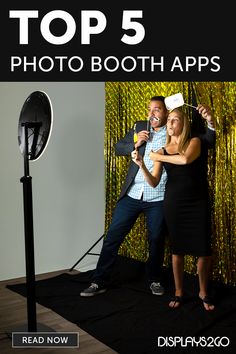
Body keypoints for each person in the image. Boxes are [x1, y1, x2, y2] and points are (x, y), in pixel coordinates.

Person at [80, 96, 169, 297]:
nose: (152, 113)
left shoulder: (173, 131)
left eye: (157, 109)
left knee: (156, 239)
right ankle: (98, 281)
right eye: (150, 109)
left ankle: (154, 279)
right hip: (132, 194)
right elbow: (118, 148)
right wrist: (136, 142)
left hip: (158, 196)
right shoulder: (139, 126)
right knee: (112, 237)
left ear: (166, 112)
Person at [131, 106, 216, 311]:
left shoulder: (194, 142)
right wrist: (142, 164)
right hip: (174, 203)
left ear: (183, 124)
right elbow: (153, 181)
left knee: (203, 250)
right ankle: (179, 292)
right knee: (177, 250)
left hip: (197, 202)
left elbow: (185, 159)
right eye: (168, 120)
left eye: (175, 120)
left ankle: (203, 291)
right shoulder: (161, 151)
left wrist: (157, 157)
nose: (169, 123)